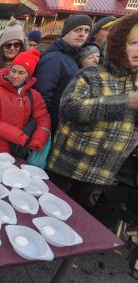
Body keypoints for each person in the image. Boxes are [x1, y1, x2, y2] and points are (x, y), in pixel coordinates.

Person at [46, 12, 138, 209]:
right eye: (134, 42)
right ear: (119, 44)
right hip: (71, 165)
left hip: (104, 170)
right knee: (50, 209)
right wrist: (124, 102)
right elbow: (69, 108)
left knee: (76, 216)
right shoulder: (91, 75)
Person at [0, 50, 51, 157]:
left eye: (21, 73)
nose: (15, 76)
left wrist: (37, 140)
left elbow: (43, 118)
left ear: (28, 76)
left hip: (20, 152)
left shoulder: (34, 95)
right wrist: (19, 137)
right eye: (13, 71)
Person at [34, 14, 92, 133]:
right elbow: (42, 97)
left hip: (65, 124)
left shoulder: (72, 57)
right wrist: (49, 127)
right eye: (77, 30)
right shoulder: (54, 58)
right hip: (54, 126)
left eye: (86, 31)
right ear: (66, 32)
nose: (82, 34)